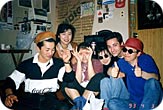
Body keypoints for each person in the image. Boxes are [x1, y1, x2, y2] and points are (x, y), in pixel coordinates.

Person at [1, 31, 73, 110]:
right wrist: (9, 94)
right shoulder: (26, 65)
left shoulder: (58, 64)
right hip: (29, 99)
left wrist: (66, 62)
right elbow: (10, 81)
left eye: (53, 50)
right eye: (47, 50)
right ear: (38, 48)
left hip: (50, 99)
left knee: (64, 108)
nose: (51, 53)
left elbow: (69, 78)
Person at [102, 37, 163, 110]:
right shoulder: (122, 62)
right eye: (124, 50)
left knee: (152, 82)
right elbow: (110, 70)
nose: (126, 53)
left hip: (150, 100)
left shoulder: (146, 59)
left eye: (130, 51)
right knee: (112, 103)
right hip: (134, 103)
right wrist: (111, 71)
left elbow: (156, 78)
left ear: (138, 53)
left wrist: (142, 74)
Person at [61, 42, 103, 110]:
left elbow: (92, 80)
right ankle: (81, 103)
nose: (84, 56)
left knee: (100, 76)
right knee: (66, 81)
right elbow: (77, 82)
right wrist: (79, 62)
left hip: (91, 92)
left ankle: (80, 105)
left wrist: (89, 60)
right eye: (80, 54)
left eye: (87, 53)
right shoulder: (75, 65)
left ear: (91, 53)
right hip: (77, 93)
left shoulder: (97, 62)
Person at [98, 30, 126, 110]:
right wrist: (111, 71)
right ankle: (105, 107)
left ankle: (112, 104)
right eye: (109, 47)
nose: (112, 49)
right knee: (104, 80)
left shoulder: (129, 56)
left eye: (115, 45)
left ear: (122, 44)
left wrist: (123, 74)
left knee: (115, 77)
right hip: (116, 92)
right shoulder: (113, 58)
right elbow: (108, 70)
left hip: (127, 94)